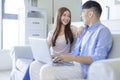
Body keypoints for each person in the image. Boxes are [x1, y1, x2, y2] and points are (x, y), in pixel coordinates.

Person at [30, 1, 113, 80]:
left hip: (84, 68)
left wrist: (72, 58)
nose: (81, 16)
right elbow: (75, 53)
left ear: (90, 14)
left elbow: (98, 58)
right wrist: (59, 57)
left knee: (46, 70)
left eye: (83, 13)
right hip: (72, 63)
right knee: (35, 65)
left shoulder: (103, 31)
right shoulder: (84, 31)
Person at [22, 7, 83, 80]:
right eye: (64, 15)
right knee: (33, 65)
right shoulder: (52, 33)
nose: (67, 18)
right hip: (54, 60)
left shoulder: (71, 29)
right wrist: (48, 55)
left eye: (68, 16)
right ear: (59, 16)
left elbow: (80, 31)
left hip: (64, 60)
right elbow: (45, 48)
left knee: (44, 69)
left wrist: (81, 27)